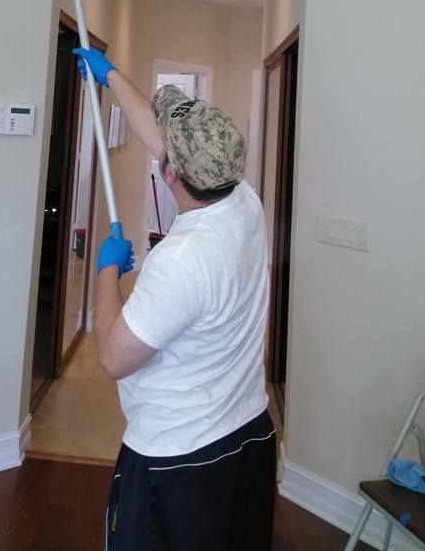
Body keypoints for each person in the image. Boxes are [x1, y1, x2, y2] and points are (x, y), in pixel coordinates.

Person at [75, 46, 276, 551]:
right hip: (248, 436)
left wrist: (105, 271)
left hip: (178, 460)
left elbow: (115, 357)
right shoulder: (243, 201)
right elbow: (165, 141)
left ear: (168, 175)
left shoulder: (183, 259)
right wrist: (112, 76)